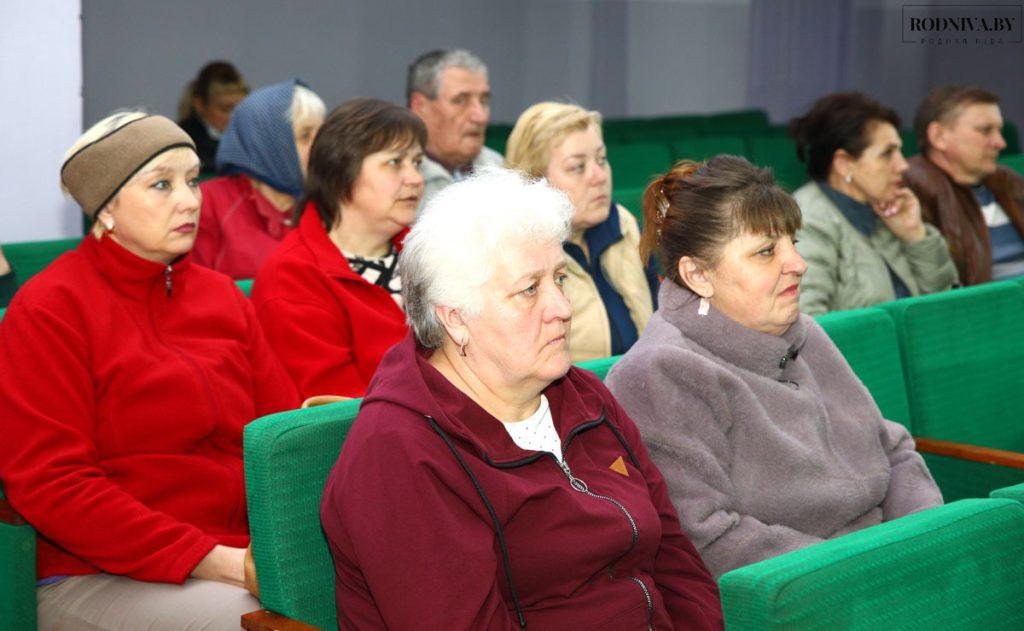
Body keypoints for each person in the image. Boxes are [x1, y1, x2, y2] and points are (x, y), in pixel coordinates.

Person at [320, 169, 723, 629]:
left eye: (559, 279)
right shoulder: (400, 454)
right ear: (456, 319)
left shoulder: (582, 396)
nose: (562, 309)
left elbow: (673, 555)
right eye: (529, 290)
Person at [0, 111, 299, 630]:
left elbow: (281, 438)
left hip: (241, 554)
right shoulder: (50, 309)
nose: (189, 200)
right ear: (105, 208)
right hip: (98, 571)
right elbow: (55, 486)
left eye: (192, 181)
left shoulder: (222, 297)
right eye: (161, 184)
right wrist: (222, 562)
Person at [605, 155, 943, 579]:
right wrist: (867, 571)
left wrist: (927, 541)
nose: (798, 264)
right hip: (812, 589)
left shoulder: (803, 331)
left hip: (897, 561)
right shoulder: (658, 374)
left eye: (792, 243)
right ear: (698, 275)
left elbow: (894, 453)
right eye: (766, 251)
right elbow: (709, 538)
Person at [252, 98, 425, 400]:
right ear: (341, 171)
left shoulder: (433, 252)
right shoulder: (292, 278)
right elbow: (333, 408)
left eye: (417, 163)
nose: (415, 179)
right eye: (395, 163)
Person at [506, 101, 658, 361]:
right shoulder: (515, 254)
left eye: (601, 159)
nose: (599, 176)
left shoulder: (624, 225)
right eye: (578, 167)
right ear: (535, 181)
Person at [789, 92, 958, 314]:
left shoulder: (886, 210)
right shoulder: (807, 221)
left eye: (899, 152)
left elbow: (946, 305)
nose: (903, 165)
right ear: (844, 164)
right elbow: (807, 322)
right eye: (887, 154)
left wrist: (916, 236)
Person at [193, 78, 326, 279]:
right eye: (306, 136)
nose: (321, 146)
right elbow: (191, 288)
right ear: (270, 143)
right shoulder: (207, 204)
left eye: (322, 134)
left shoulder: (327, 205)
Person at [904, 85, 1024, 284]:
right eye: (985, 130)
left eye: (999, 131)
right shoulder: (912, 191)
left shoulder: (1006, 180)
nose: (1000, 143)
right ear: (939, 137)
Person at [407, 49, 503, 210]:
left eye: (484, 101)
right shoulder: (397, 179)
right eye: (460, 101)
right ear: (420, 106)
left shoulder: (502, 170)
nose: (480, 117)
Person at [177, 61, 249, 174]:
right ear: (199, 104)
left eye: (241, 109)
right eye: (226, 109)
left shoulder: (255, 140)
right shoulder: (181, 144)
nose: (235, 117)